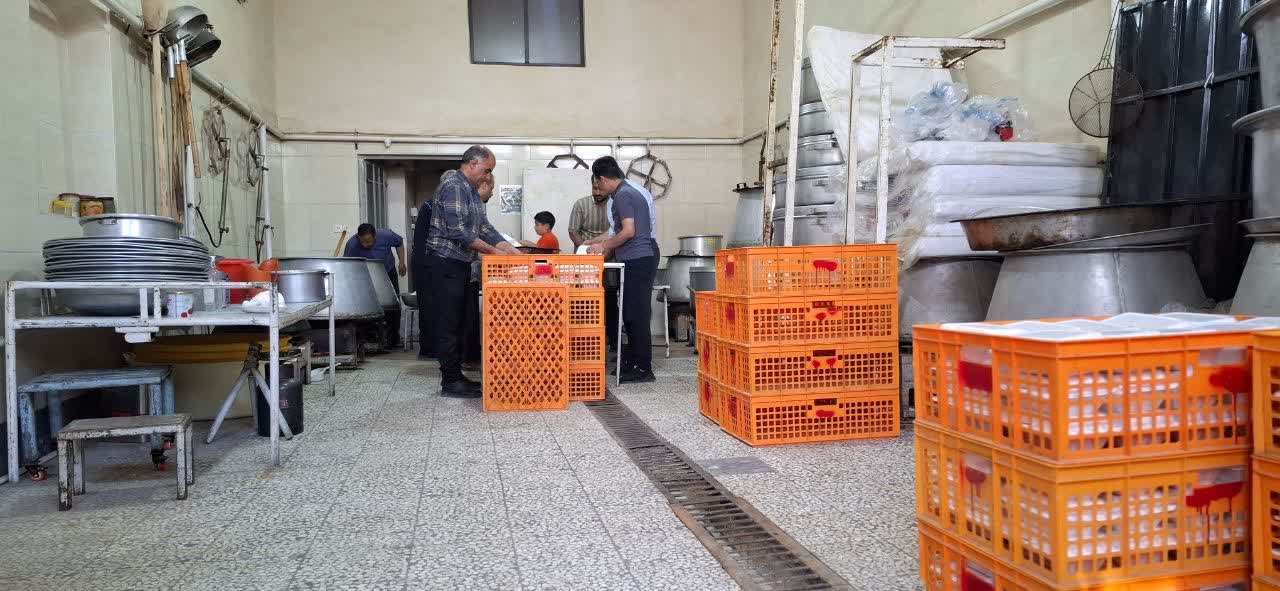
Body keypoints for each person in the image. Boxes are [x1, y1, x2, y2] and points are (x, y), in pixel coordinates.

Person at [423, 145, 520, 397]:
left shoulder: (470, 192)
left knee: (458, 322)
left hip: (459, 265)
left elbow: (485, 228)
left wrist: (511, 250)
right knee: (448, 323)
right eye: (487, 170)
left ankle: (456, 376)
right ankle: (450, 382)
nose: (488, 176)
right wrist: (493, 252)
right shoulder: (454, 186)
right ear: (473, 163)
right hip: (445, 264)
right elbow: (459, 232)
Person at [587, 156, 658, 383]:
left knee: (636, 314)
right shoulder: (628, 191)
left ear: (603, 179)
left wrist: (603, 246)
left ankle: (643, 368)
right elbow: (620, 230)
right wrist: (599, 243)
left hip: (638, 259)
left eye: (598, 184)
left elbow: (628, 231)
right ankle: (633, 361)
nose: (599, 189)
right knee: (630, 313)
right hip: (637, 257)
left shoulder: (623, 195)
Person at [412, 170, 493, 360]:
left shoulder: (463, 205)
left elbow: (482, 231)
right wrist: (492, 251)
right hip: (433, 263)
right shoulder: (433, 206)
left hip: (444, 263)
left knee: (449, 313)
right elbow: (458, 235)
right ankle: (432, 352)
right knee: (438, 310)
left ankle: (449, 357)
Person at [344, 223, 406, 346]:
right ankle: (369, 337)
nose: (365, 245)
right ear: (358, 237)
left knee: (393, 304)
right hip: (366, 275)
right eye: (362, 242)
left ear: (375, 236)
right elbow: (347, 264)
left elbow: (399, 243)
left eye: (368, 242)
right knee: (367, 304)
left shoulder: (386, 235)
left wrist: (401, 262)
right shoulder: (351, 244)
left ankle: (393, 338)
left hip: (387, 271)